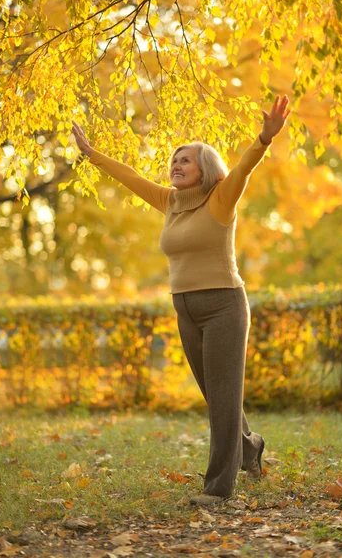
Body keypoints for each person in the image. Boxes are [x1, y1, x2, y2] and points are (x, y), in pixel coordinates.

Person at [71, 94, 290, 506]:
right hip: (185, 309)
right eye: (174, 159)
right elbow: (129, 177)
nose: (176, 163)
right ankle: (251, 446)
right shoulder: (169, 202)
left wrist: (264, 138)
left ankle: (219, 490)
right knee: (218, 396)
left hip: (224, 305)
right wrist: (91, 154)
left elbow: (244, 168)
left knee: (222, 403)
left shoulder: (221, 199)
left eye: (186, 159)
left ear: (205, 168)